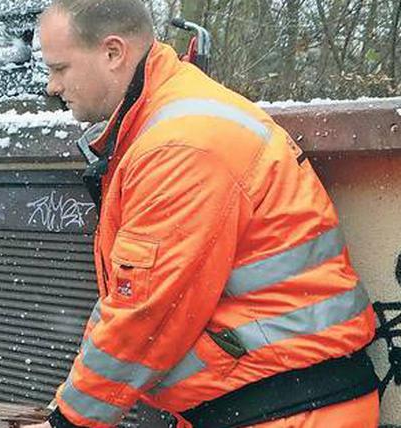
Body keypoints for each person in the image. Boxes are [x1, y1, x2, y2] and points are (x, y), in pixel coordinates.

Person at [25, 1, 380, 427]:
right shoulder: (171, 122)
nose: (51, 85)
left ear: (113, 52)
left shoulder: (182, 144)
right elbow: (131, 296)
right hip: (270, 402)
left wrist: (67, 421)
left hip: (288, 410)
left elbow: (146, 312)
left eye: (60, 68)